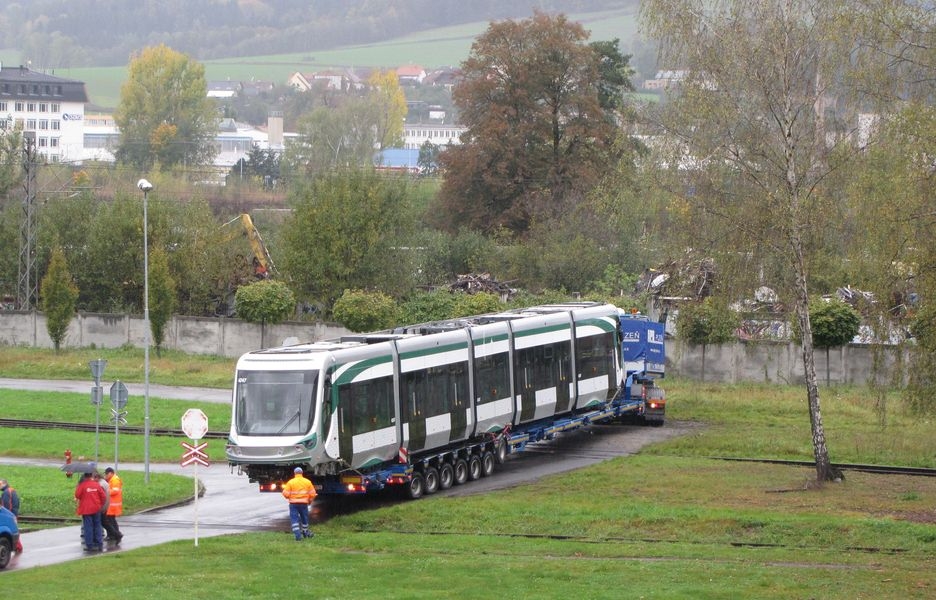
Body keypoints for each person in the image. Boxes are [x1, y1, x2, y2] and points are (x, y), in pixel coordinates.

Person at [281, 466, 316, 541]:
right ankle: (305, 532)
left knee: (294, 519)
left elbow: (285, 493)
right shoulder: (307, 482)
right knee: (304, 518)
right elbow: (313, 494)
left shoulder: (291, 482)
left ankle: (297, 535)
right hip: (304, 504)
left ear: (294, 473)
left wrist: (289, 497)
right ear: (302, 473)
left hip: (293, 504)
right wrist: (309, 500)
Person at [74, 472, 106, 551]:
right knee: (97, 526)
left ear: (84, 476)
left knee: (88, 527)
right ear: (91, 476)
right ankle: (99, 544)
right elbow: (103, 496)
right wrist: (100, 504)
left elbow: (77, 495)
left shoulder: (82, 485)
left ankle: (89, 545)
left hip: (86, 509)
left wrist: (79, 486)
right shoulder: (96, 484)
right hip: (96, 509)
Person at [0, 478, 23, 553]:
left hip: (10, 514)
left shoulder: (6, 492)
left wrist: (8, 515)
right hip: (13, 513)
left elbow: (7, 505)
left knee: (12, 530)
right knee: (14, 530)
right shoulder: (11, 490)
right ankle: (18, 547)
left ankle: (18, 547)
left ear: (4, 483)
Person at [102, 467, 123, 544]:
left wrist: (106, 492)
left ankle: (114, 534)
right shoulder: (112, 479)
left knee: (110, 520)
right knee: (111, 520)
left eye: (106, 474)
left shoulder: (115, 480)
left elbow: (115, 491)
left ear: (110, 473)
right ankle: (114, 534)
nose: (106, 475)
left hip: (113, 504)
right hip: (112, 504)